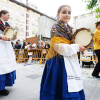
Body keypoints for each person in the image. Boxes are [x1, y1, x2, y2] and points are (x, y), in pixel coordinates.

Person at [40, 5, 86, 100]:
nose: (67, 15)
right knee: (61, 85)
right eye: (64, 12)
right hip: (58, 61)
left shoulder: (69, 29)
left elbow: (72, 43)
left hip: (70, 59)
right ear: (58, 14)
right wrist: (77, 47)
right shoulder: (55, 27)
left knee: (72, 84)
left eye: (69, 13)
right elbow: (57, 47)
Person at [0, 10, 16, 96]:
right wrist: (1, 37)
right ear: (2, 14)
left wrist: (14, 37)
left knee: (6, 66)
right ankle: (1, 88)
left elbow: (11, 35)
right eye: (8, 15)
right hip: (1, 46)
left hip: (7, 46)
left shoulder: (7, 25)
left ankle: (3, 87)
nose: (9, 17)